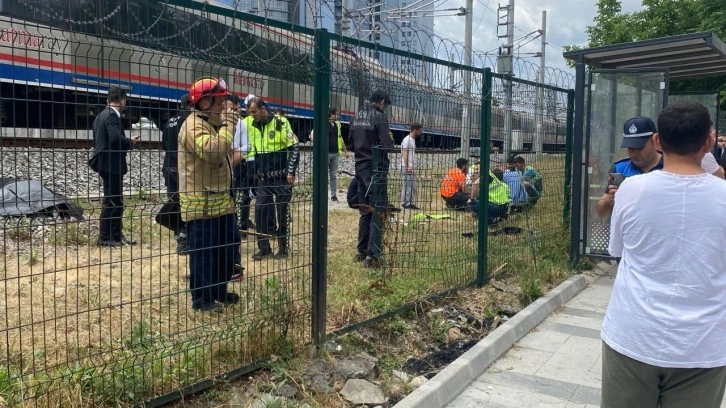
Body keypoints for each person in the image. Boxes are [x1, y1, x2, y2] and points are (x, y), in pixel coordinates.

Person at [602, 101, 726, 407]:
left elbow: (617, 250)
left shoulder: (630, 190)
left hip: (633, 335)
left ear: (658, 141)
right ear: (708, 142)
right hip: (703, 345)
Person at [178, 77, 241, 313]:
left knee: (227, 247)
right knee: (204, 253)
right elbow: (213, 152)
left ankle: (218, 290)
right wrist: (228, 127)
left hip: (220, 202)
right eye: (220, 101)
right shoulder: (194, 125)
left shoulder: (211, 123)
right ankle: (202, 299)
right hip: (201, 204)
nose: (226, 106)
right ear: (205, 103)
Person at [246, 97, 300, 259]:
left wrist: (291, 172)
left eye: (254, 112)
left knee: (282, 212)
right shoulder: (253, 126)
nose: (252, 115)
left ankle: (283, 249)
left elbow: (295, 147)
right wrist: (254, 172)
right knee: (260, 210)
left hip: (281, 177)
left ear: (263, 109)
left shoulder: (280, 123)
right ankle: (264, 247)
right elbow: (253, 151)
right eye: (250, 112)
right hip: (263, 178)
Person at [91, 86, 139, 247]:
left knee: (115, 200)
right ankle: (105, 237)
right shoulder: (112, 116)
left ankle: (116, 235)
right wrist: (130, 142)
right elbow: (114, 139)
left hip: (105, 162)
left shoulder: (100, 116)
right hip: (111, 163)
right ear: (123, 100)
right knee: (112, 201)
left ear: (108, 100)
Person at [350, 90, 394, 267]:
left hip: (360, 168)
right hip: (376, 169)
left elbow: (351, 143)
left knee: (365, 211)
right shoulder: (379, 117)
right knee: (378, 211)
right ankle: (373, 255)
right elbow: (388, 144)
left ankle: (361, 251)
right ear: (382, 101)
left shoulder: (355, 117)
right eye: (386, 105)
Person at [595, 116, 663, 218]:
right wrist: (610, 201)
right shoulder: (619, 169)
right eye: (630, 147)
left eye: (639, 147)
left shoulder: (670, 166)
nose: (634, 153)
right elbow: (601, 213)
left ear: (654, 140)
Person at [161, 94, 192, 253]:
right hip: (181, 167)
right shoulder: (189, 120)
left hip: (168, 166)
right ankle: (186, 238)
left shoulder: (169, 122)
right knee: (186, 203)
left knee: (174, 204)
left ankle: (179, 237)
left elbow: (164, 145)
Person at [227, 94, 255, 232]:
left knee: (242, 196)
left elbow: (248, 146)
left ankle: (241, 227)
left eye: (238, 109)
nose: (236, 112)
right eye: (232, 109)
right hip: (222, 165)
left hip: (239, 164)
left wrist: (235, 150)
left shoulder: (242, 123)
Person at [310, 107, 349, 201]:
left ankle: (333, 196)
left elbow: (341, 138)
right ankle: (319, 194)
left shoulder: (338, 125)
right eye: (336, 114)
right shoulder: (323, 123)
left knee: (333, 176)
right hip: (325, 154)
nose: (338, 116)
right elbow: (312, 134)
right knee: (323, 175)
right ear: (331, 114)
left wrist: (346, 151)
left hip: (335, 154)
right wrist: (317, 144)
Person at [400, 123, 422, 209]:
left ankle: (411, 203)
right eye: (420, 130)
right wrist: (407, 167)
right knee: (407, 185)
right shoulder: (407, 140)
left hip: (411, 167)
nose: (421, 132)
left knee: (412, 185)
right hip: (407, 167)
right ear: (415, 130)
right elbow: (405, 154)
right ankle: (406, 203)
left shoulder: (412, 140)